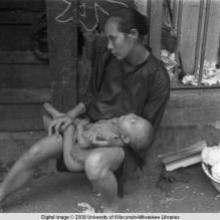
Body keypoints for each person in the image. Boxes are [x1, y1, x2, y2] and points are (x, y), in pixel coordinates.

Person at [0, 8, 170, 212]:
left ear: (133, 35)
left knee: (95, 163)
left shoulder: (157, 76)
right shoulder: (110, 57)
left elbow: (144, 135)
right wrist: (69, 116)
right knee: (36, 152)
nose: (108, 45)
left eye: (113, 39)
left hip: (124, 143)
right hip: (92, 126)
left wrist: (109, 139)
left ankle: (111, 208)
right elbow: (92, 96)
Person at [43, 102, 153, 172]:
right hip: (87, 133)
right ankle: (58, 115)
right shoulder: (119, 129)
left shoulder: (105, 139)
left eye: (133, 123)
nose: (131, 117)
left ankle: (54, 120)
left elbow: (83, 143)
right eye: (136, 117)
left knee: (70, 128)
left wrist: (81, 127)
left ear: (125, 138)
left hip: (72, 159)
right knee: (74, 121)